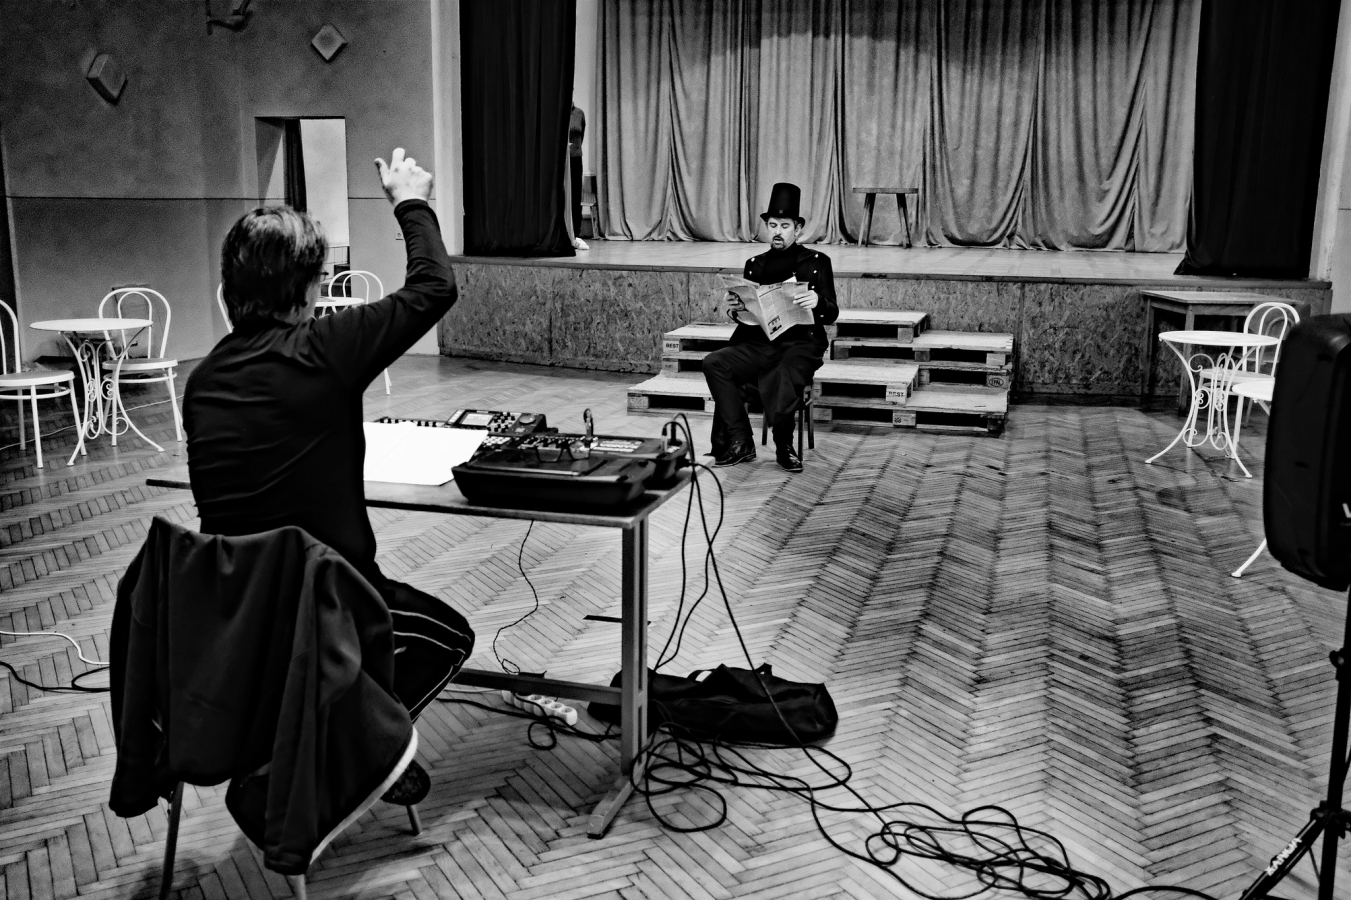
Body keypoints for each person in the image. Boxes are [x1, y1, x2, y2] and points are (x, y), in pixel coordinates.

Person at [182, 148, 473, 805]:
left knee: (344, 642)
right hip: (333, 604)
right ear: (311, 288)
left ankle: (317, 744)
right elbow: (434, 287)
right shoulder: (324, 350)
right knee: (449, 638)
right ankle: (347, 754)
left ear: (229, 289)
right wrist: (410, 200)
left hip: (234, 616)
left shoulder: (201, 380)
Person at [701, 182, 839, 473]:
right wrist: (737, 309)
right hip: (760, 343)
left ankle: (784, 446)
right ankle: (741, 440)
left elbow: (832, 313)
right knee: (714, 362)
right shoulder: (755, 264)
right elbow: (750, 317)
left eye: (785, 226)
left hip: (800, 345)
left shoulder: (817, 262)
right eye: (773, 225)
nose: (777, 231)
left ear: (797, 229)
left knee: (785, 371)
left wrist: (818, 302)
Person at [569, 104, 588, 251]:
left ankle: (576, 233)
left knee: (576, 195)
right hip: (562, 159)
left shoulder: (579, 113)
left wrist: (575, 149)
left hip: (575, 158)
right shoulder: (557, 111)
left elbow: (581, 136)